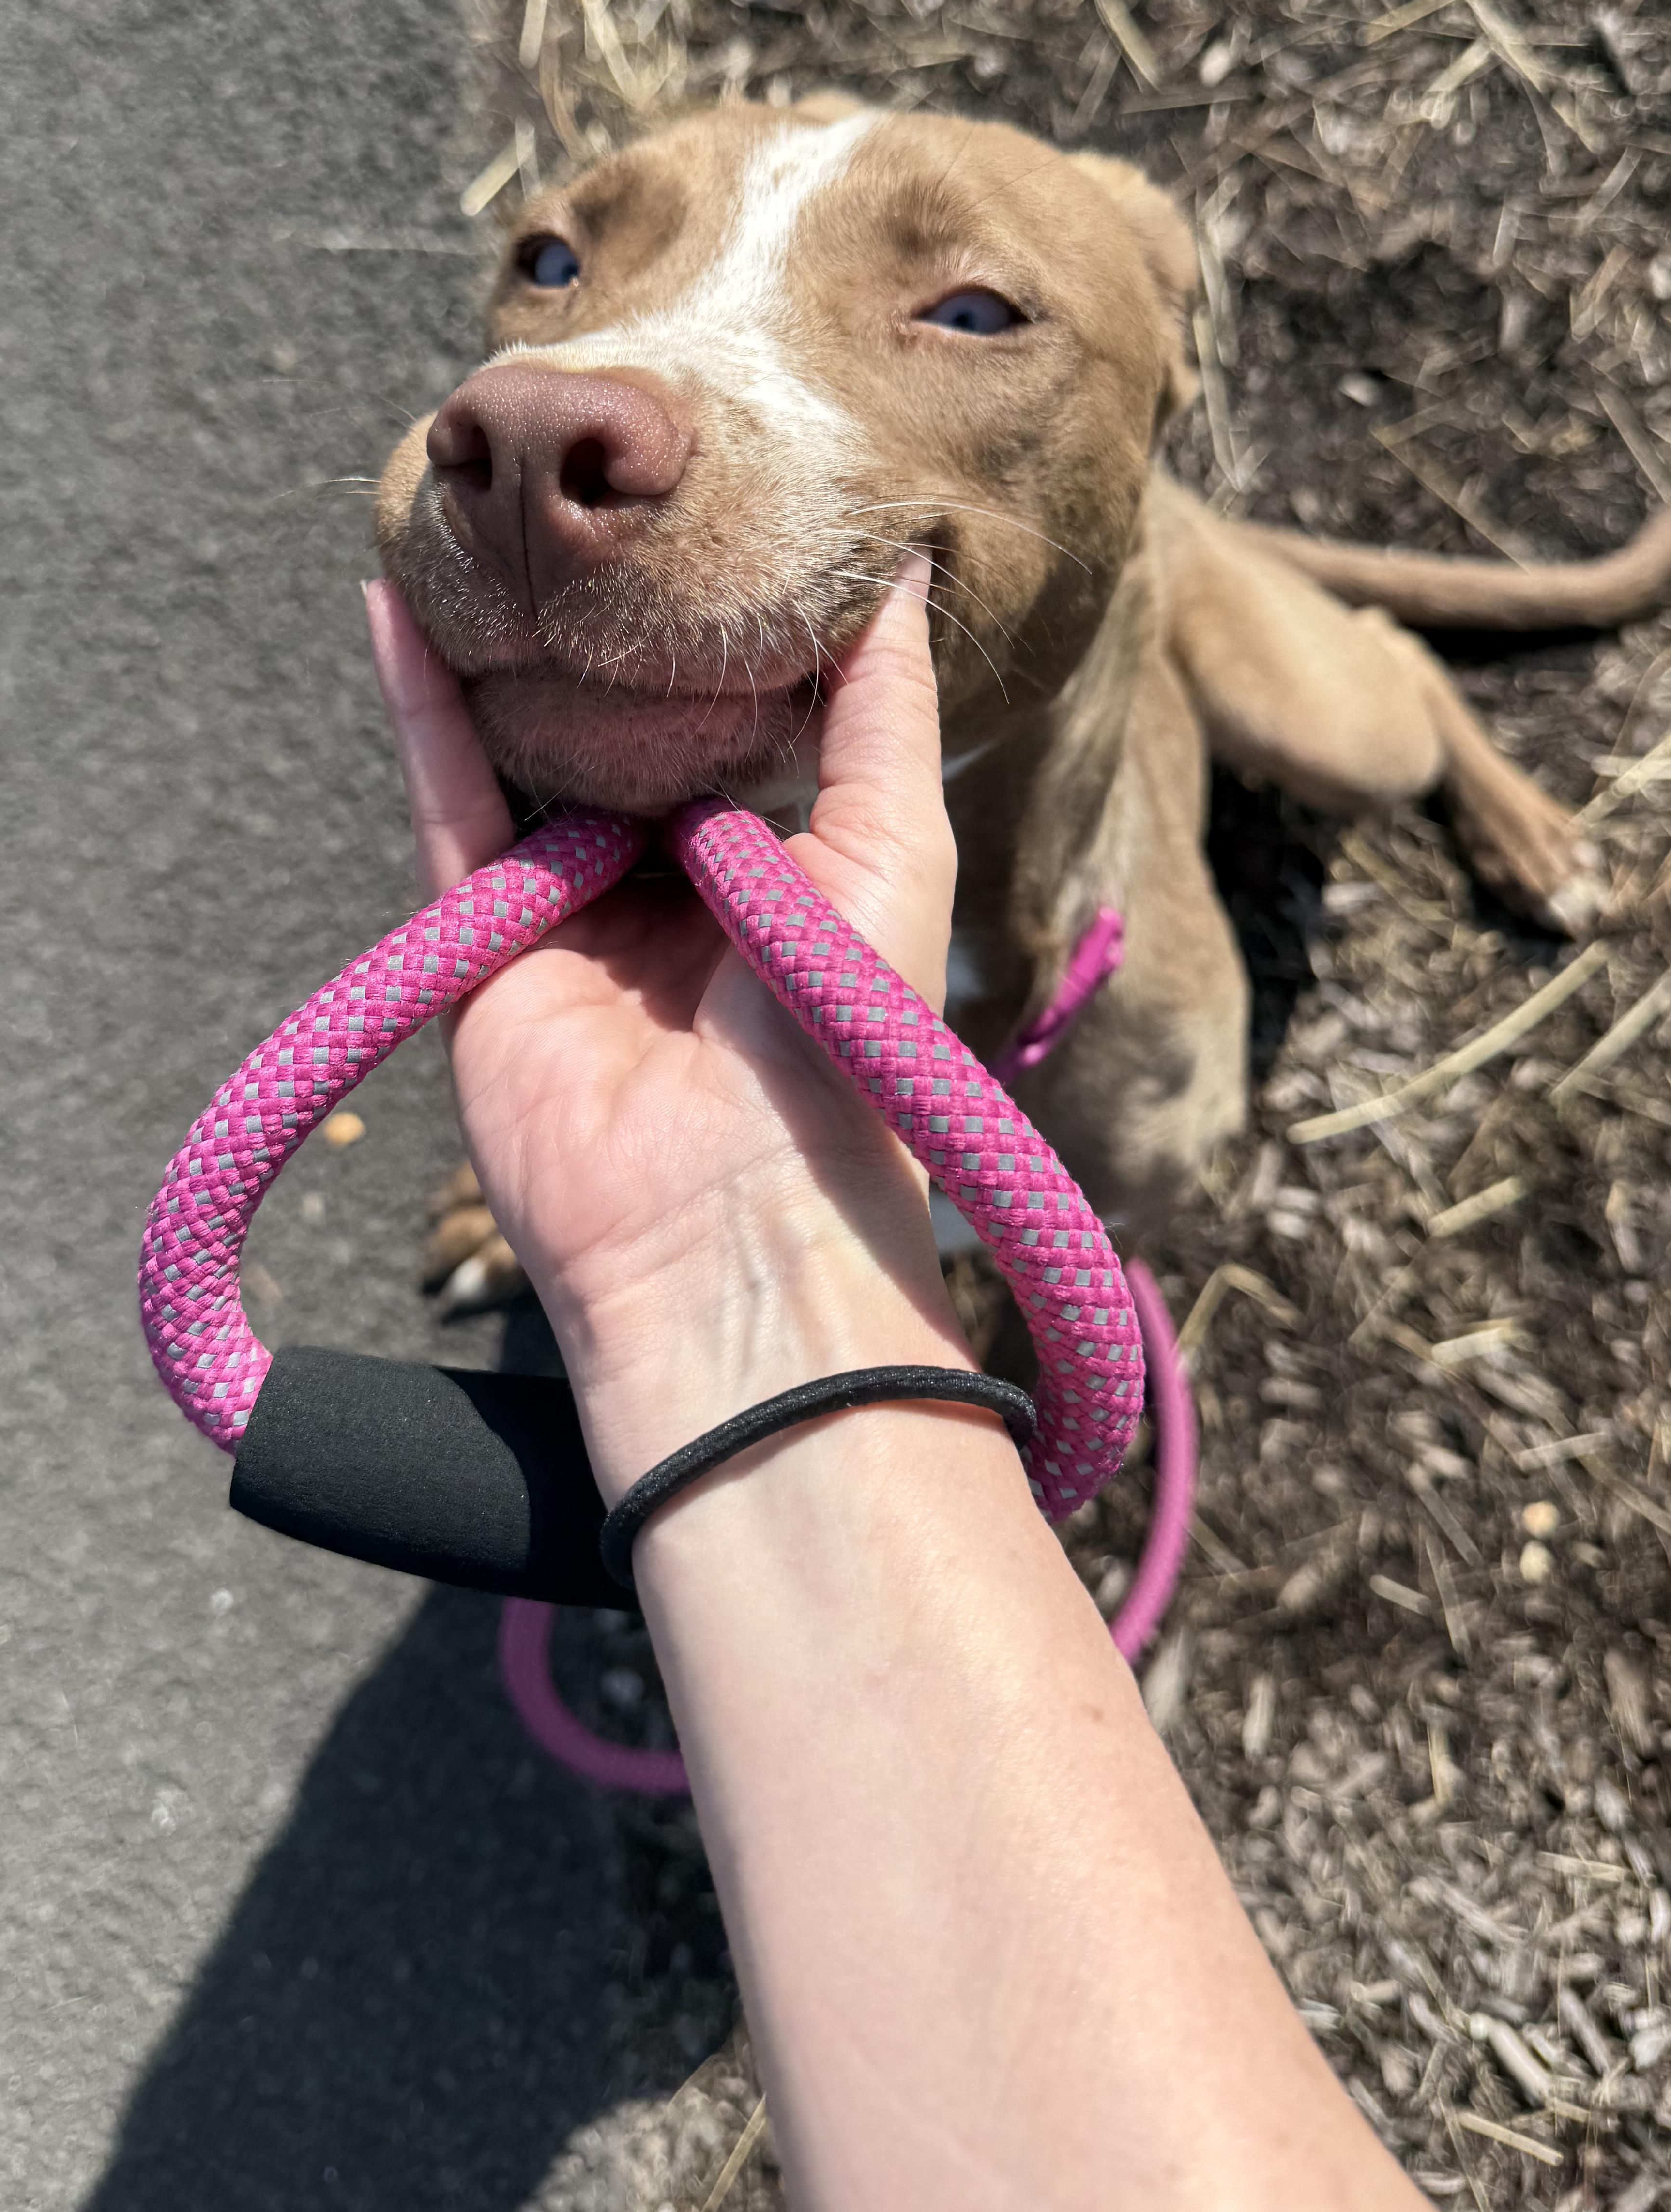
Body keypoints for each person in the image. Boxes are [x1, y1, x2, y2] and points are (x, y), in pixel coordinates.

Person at [365, 556, 1425, 2212]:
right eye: (548, 271)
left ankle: (1459, 742)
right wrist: (712, 1267)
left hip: (1094, 862)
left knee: (1367, 742)